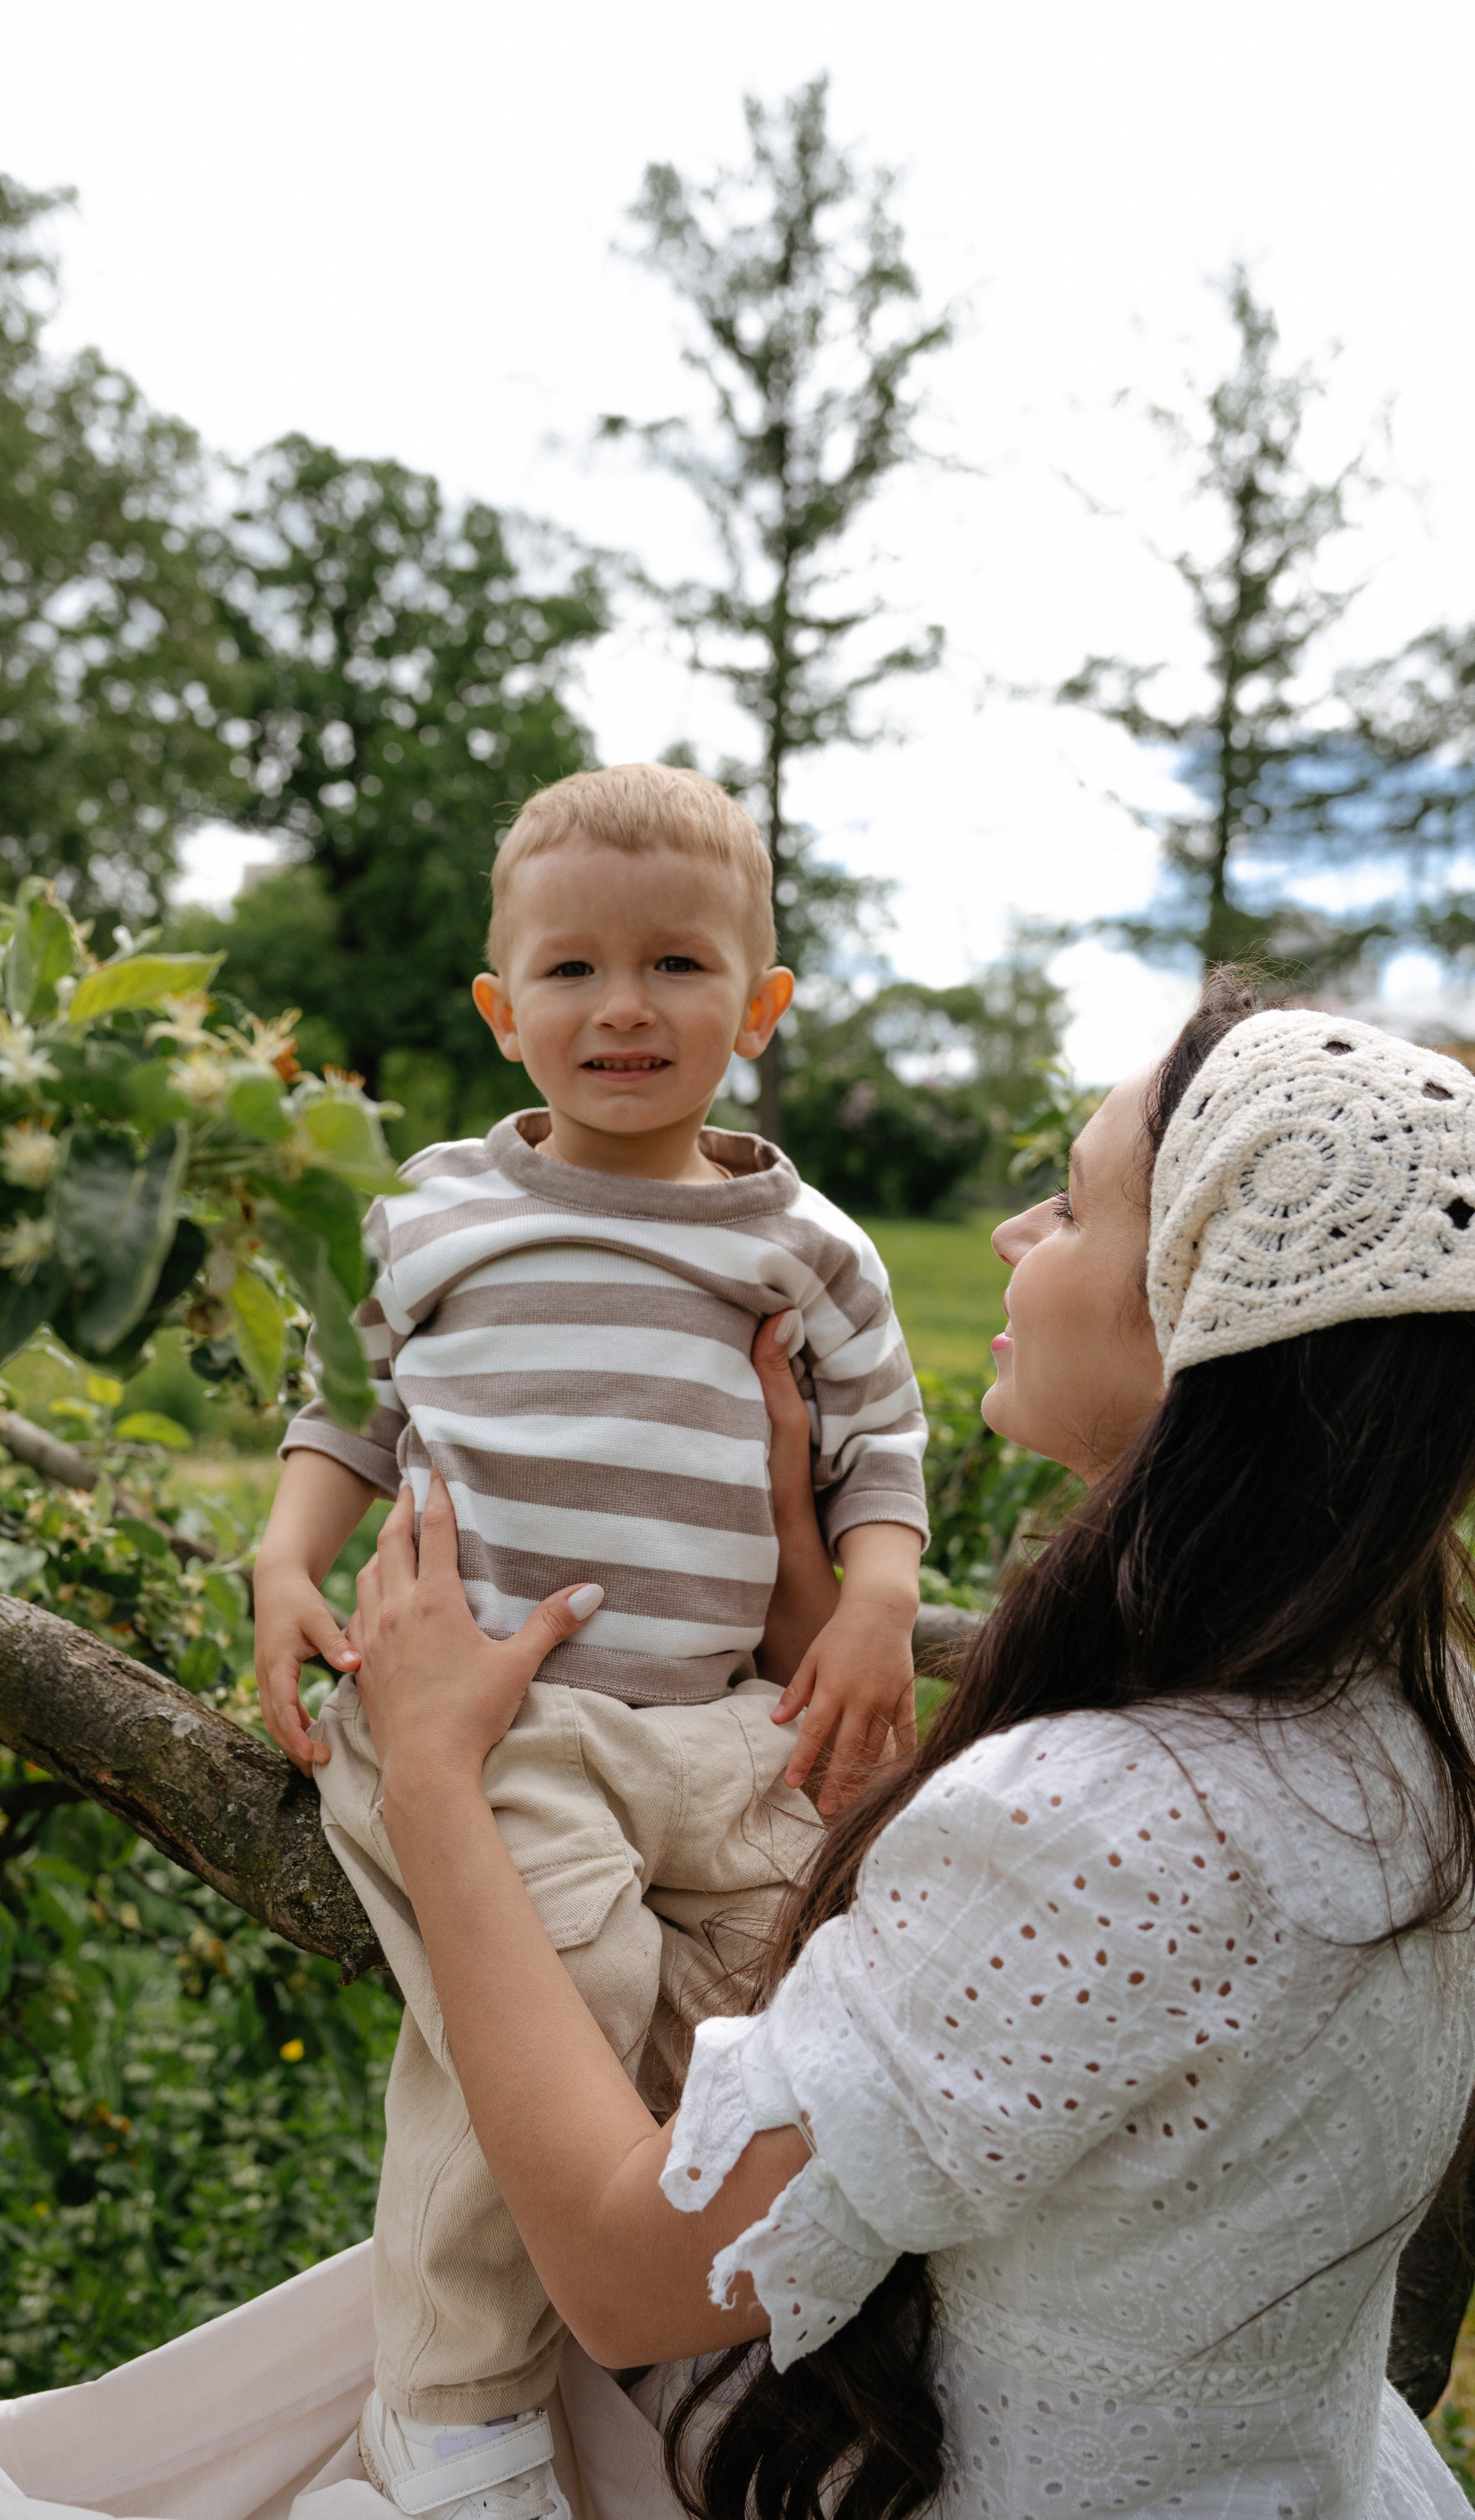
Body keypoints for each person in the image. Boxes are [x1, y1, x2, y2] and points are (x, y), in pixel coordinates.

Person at [341, 974, 1475, 2519]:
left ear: (1198, 1317)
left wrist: (429, 1780)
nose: (1013, 1234)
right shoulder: (1417, 1720)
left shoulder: (1119, 1819)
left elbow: (623, 2276)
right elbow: (1030, 2006)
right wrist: (806, 1560)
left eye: (1070, 1207)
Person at [251, 763, 929, 2519]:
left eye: (678, 964)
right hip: (486, 1713)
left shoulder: (808, 1248)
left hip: (708, 1723)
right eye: (570, 971)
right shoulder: (428, 1214)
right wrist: (279, 1555)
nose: (623, 1005)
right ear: (501, 1010)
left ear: (761, 1007)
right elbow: (348, 1414)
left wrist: (871, 1598)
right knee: (572, 1989)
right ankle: (449, 2407)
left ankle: (748, 2358)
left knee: (819, 1973)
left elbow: (881, 1459)